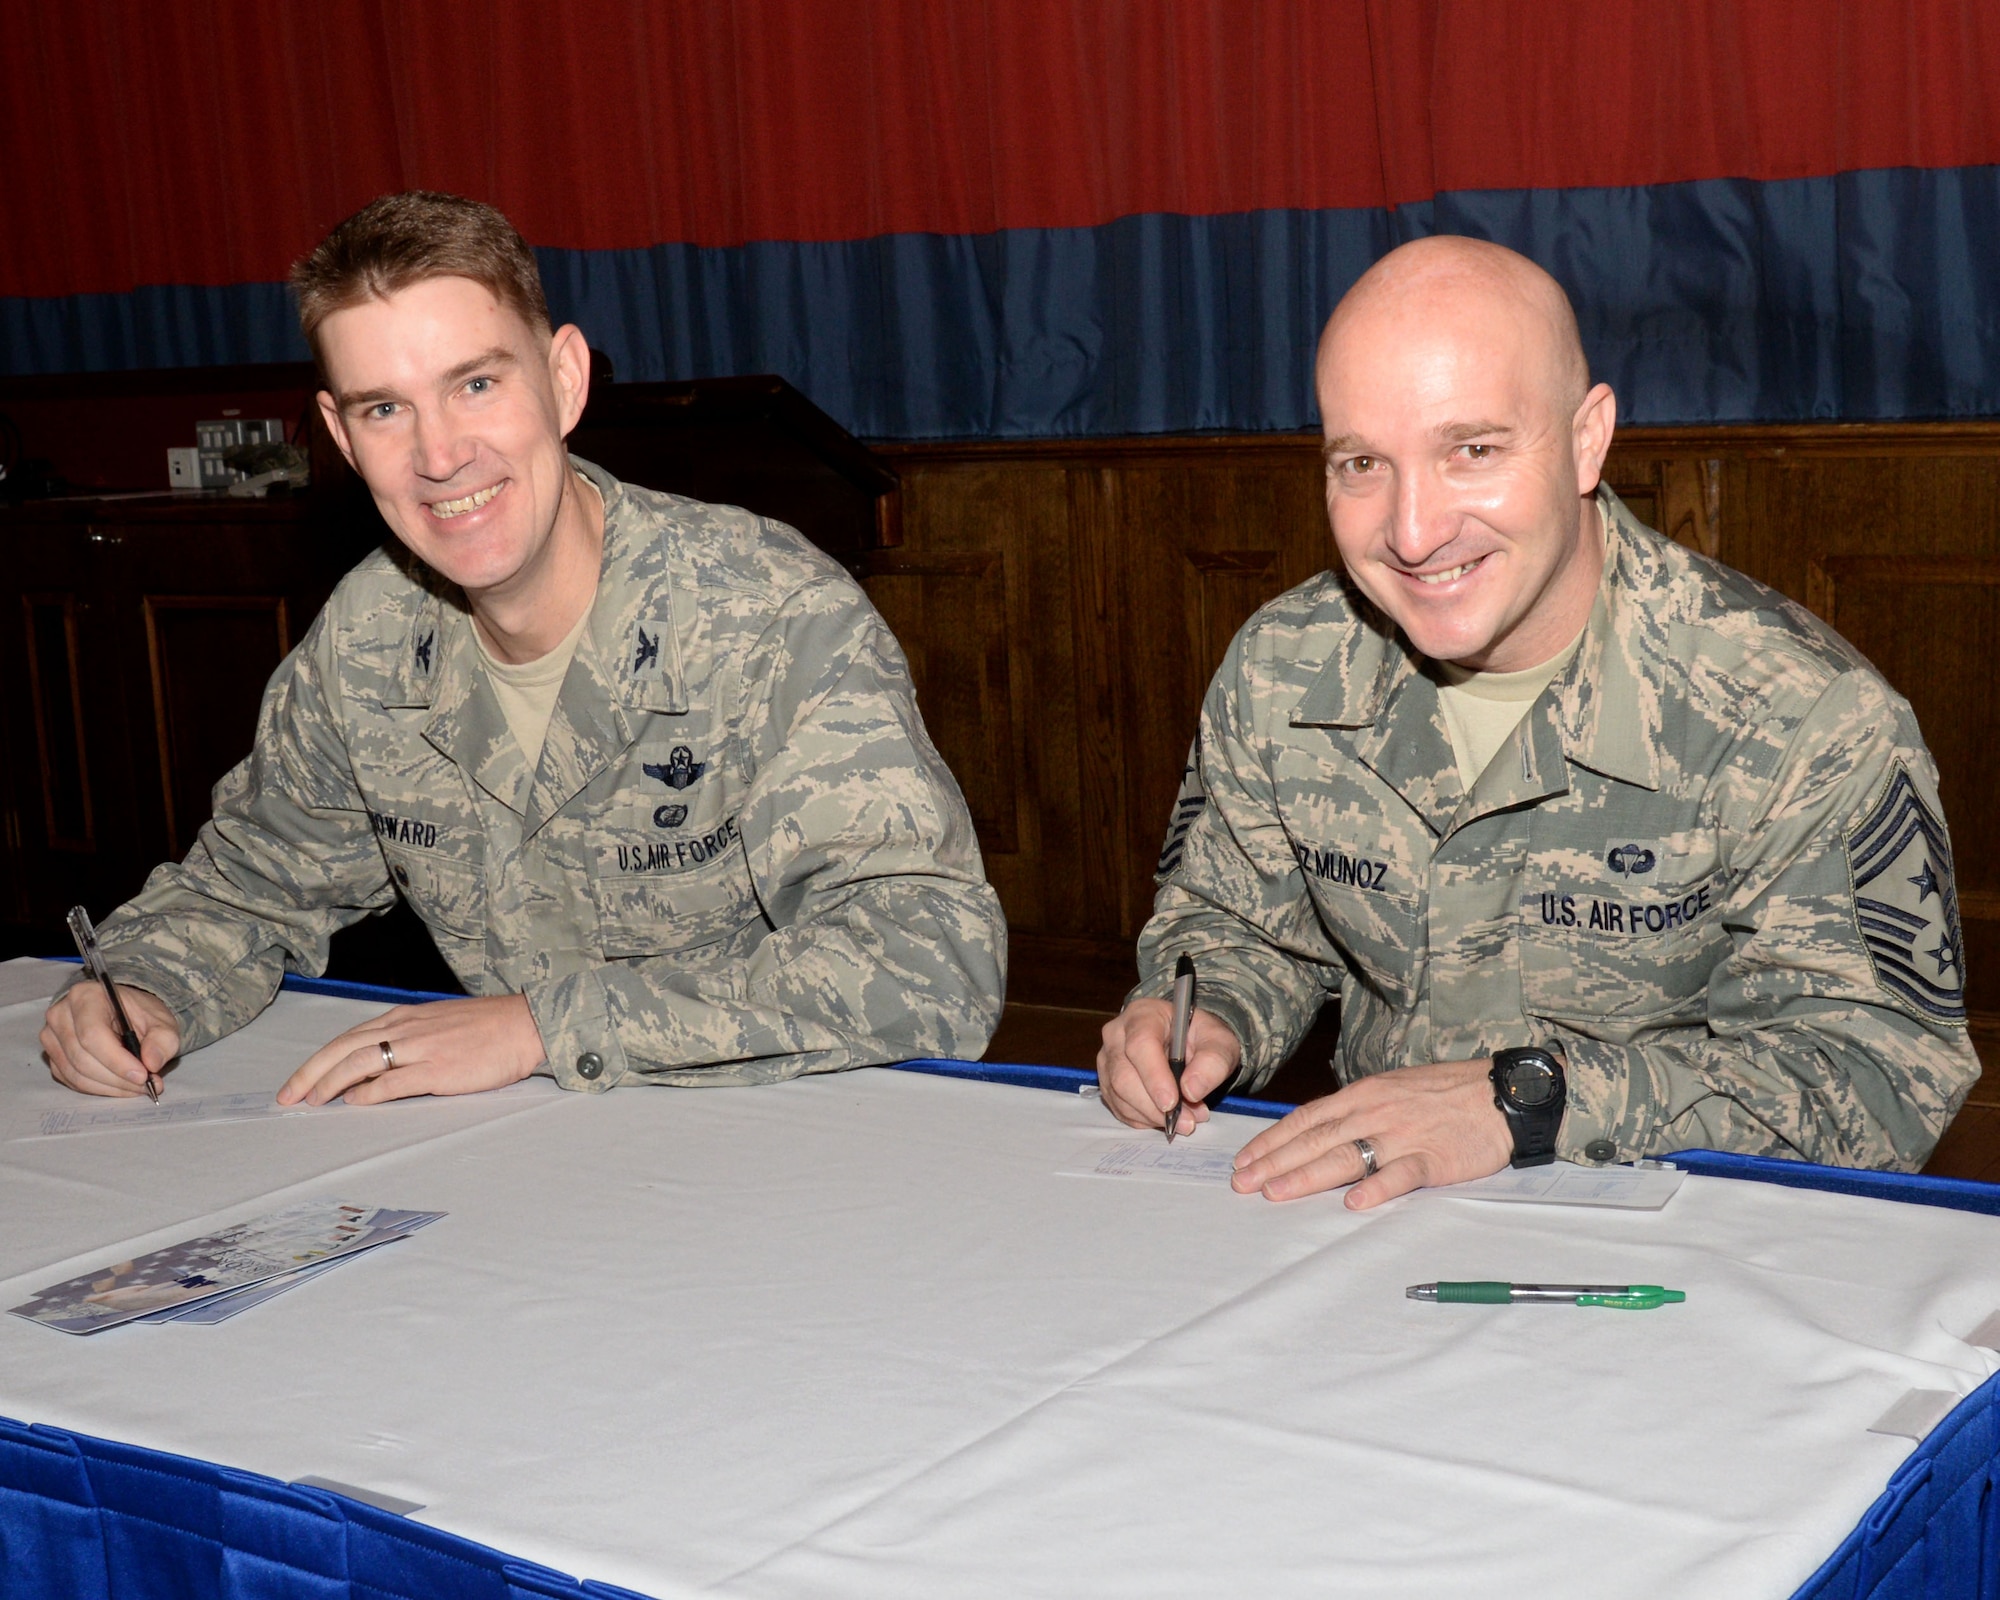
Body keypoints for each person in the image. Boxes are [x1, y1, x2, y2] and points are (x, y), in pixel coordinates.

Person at [41, 191, 1005, 1104]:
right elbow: (247, 889)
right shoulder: (370, 642)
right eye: (385, 408)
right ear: (339, 434)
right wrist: (140, 988)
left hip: (768, 1141)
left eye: (475, 383)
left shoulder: (767, 618)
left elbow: (928, 959)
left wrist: (545, 1029)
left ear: (564, 378)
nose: (440, 454)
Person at [1096, 235, 1978, 1206]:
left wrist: (1530, 1104)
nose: (1413, 529)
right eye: (1359, 463)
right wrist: (1201, 1014)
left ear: (1585, 439)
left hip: (1683, 1245)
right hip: (1366, 1220)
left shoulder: (1796, 713)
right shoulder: (1284, 670)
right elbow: (1231, 923)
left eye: (1469, 449)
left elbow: (1879, 1077)